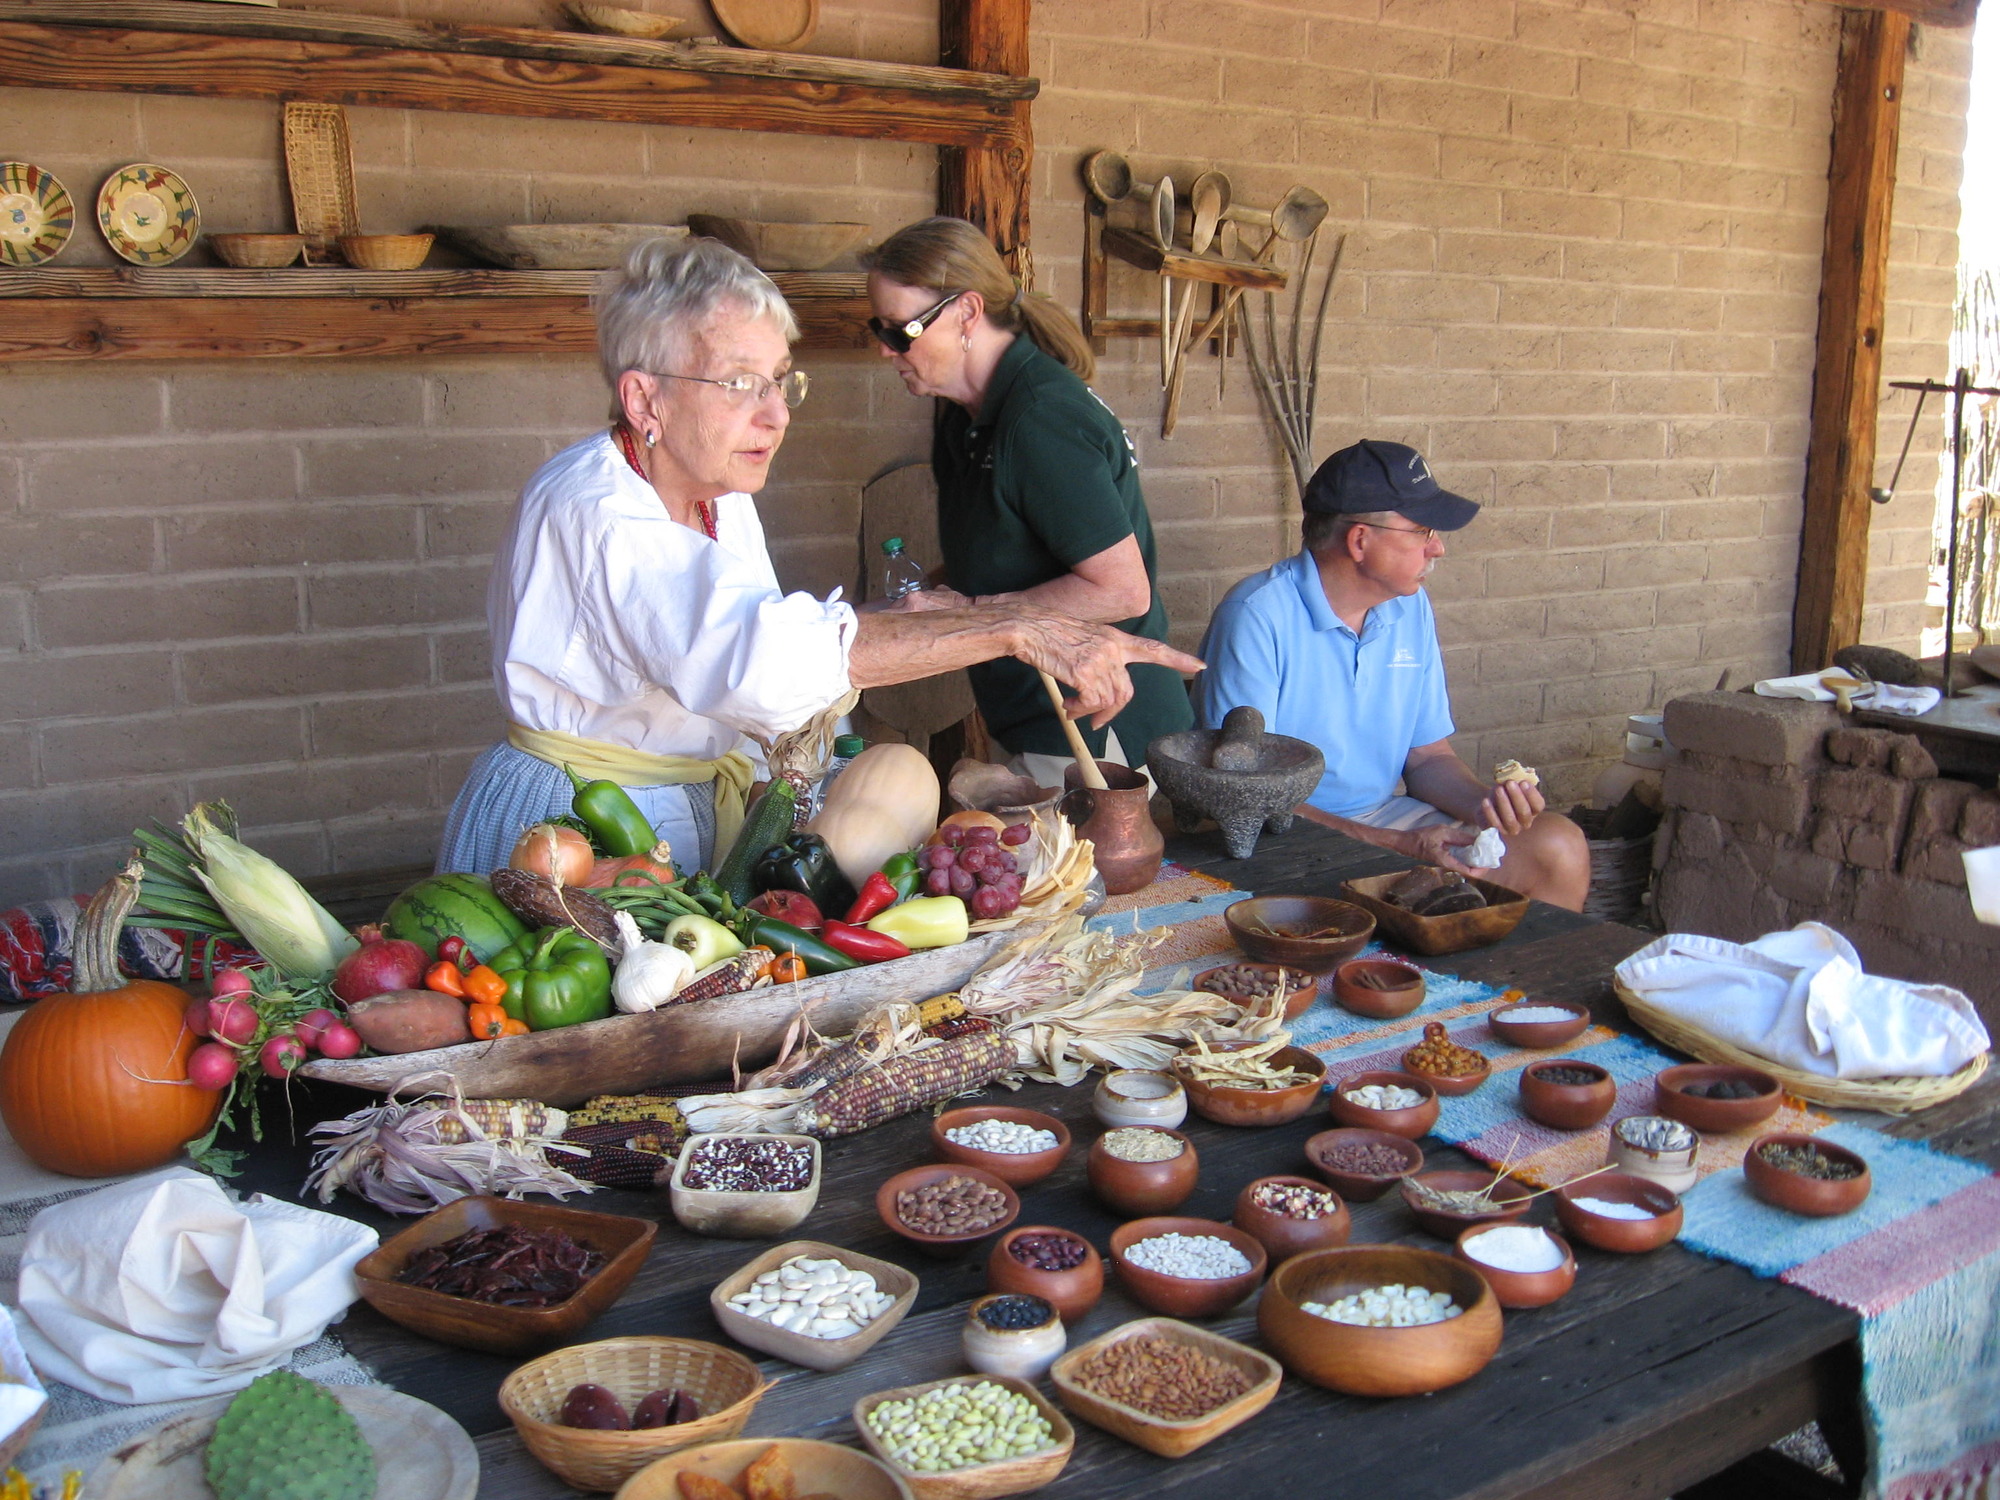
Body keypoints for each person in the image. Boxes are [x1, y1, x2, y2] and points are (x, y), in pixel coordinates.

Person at [438, 237, 1202, 876]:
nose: (775, 414)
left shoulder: (717, 493)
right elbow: (757, 667)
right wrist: (1010, 628)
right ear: (646, 402)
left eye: (777, 382)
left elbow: (758, 635)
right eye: (740, 384)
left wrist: (907, 619)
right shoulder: (599, 511)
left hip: (670, 818)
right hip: (571, 837)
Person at [860, 217, 1193, 788]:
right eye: (878, 327)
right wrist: (902, 613)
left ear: (966, 312)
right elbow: (991, 561)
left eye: (900, 330)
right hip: (1032, 711)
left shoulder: (1039, 419)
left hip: (1100, 725)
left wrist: (966, 611)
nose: (884, 349)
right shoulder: (961, 413)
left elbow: (1120, 589)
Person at [1195, 439, 1590, 911]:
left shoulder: (1408, 606)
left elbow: (1426, 759)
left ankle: (1520, 985)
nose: (1438, 548)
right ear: (1360, 540)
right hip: (1284, 833)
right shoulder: (1257, 615)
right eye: (1422, 531)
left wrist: (1486, 806)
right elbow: (1245, 798)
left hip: (1386, 820)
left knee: (1557, 847)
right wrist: (1393, 844)